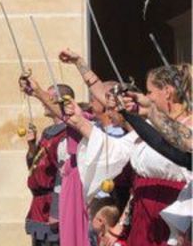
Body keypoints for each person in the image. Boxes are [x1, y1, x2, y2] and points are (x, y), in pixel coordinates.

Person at [64, 64, 191, 246]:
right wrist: (79, 120)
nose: (147, 97)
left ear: (167, 92)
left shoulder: (187, 126)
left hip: (173, 208)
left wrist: (141, 112)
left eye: (149, 92)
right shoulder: (149, 128)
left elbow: (169, 149)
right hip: (143, 212)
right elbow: (115, 147)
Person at [24, 85, 70, 246]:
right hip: (39, 203)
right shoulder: (48, 132)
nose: (44, 102)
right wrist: (31, 146)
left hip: (52, 202)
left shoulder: (66, 133)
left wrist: (56, 210)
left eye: (48, 98)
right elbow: (35, 167)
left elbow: (63, 173)